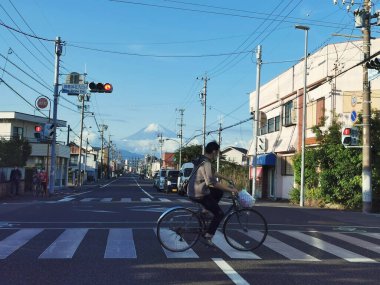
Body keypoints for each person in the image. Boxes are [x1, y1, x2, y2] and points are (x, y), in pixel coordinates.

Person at [187, 141, 238, 246]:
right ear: (214, 151)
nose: (217, 155)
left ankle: (205, 210)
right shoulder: (207, 163)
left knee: (218, 192)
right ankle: (208, 236)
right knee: (219, 214)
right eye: (217, 153)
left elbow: (213, 172)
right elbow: (212, 183)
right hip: (199, 192)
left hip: (192, 190)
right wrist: (231, 189)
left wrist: (227, 179)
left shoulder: (202, 159)